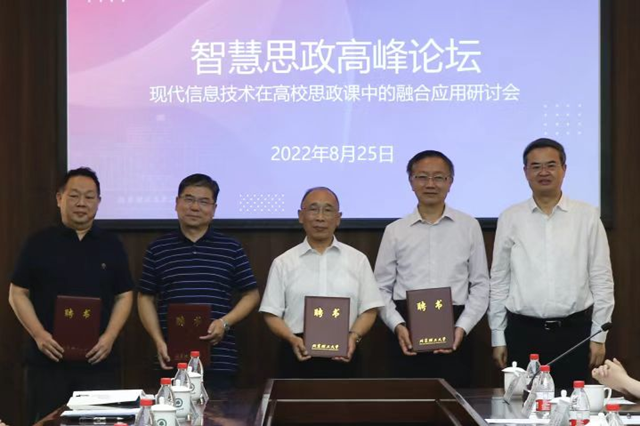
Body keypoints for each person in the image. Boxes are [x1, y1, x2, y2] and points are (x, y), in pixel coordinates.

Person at [8, 167, 134, 423]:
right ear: (59, 198)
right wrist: (39, 334)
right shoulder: (38, 243)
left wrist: (109, 337)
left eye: (89, 197)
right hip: (47, 362)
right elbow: (17, 293)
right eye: (74, 195)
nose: (81, 203)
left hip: (99, 362)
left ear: (98, 202)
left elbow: (124, 295)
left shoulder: (112, 244)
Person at [488, 138, 614, 390]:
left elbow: (602, 278)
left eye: (551, 165)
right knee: (524, 405)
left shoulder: (587, 215)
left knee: (572, 404)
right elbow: (499, 280)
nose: (543, 172)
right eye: (535, 166)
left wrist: (599, 336)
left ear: (564, 169)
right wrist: (498, 336)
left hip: (574, 333)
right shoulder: (510, 217)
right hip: (523, 332)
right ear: (525, 172)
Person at [374, 150, 490, 387]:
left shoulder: (468, 226)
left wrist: (462, 327)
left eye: (438, 177)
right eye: (422, 177)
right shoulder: (395, 230)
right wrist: (397, 325)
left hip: (456, 325)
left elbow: (480, 284)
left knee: (456, 402)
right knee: (409, 401)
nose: (430, 184)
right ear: (411, 182)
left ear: (450, 182)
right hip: (406, 328)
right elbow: (380, 288)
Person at [137, 173, 259, 392]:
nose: (195, 207)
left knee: (218, 411)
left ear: (214, 209)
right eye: (189, 199)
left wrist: (225, 323)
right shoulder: (158, 248)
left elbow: (251, 295)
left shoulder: (231, 248)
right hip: (171, 357)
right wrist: (158, 340)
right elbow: (145, 297)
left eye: (203, 202)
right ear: (177, 203)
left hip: (219, 359)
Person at [259, 187, 383, 378]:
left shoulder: (358, 260)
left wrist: (354, 337)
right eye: (313, 209)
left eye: (328, 210)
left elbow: (370, 309)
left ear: (338, 218)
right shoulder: (283, 262)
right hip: (297, 352)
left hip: (345, 351)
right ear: (301, 216)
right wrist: (291, 339)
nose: (320, 217)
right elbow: (271, 313)